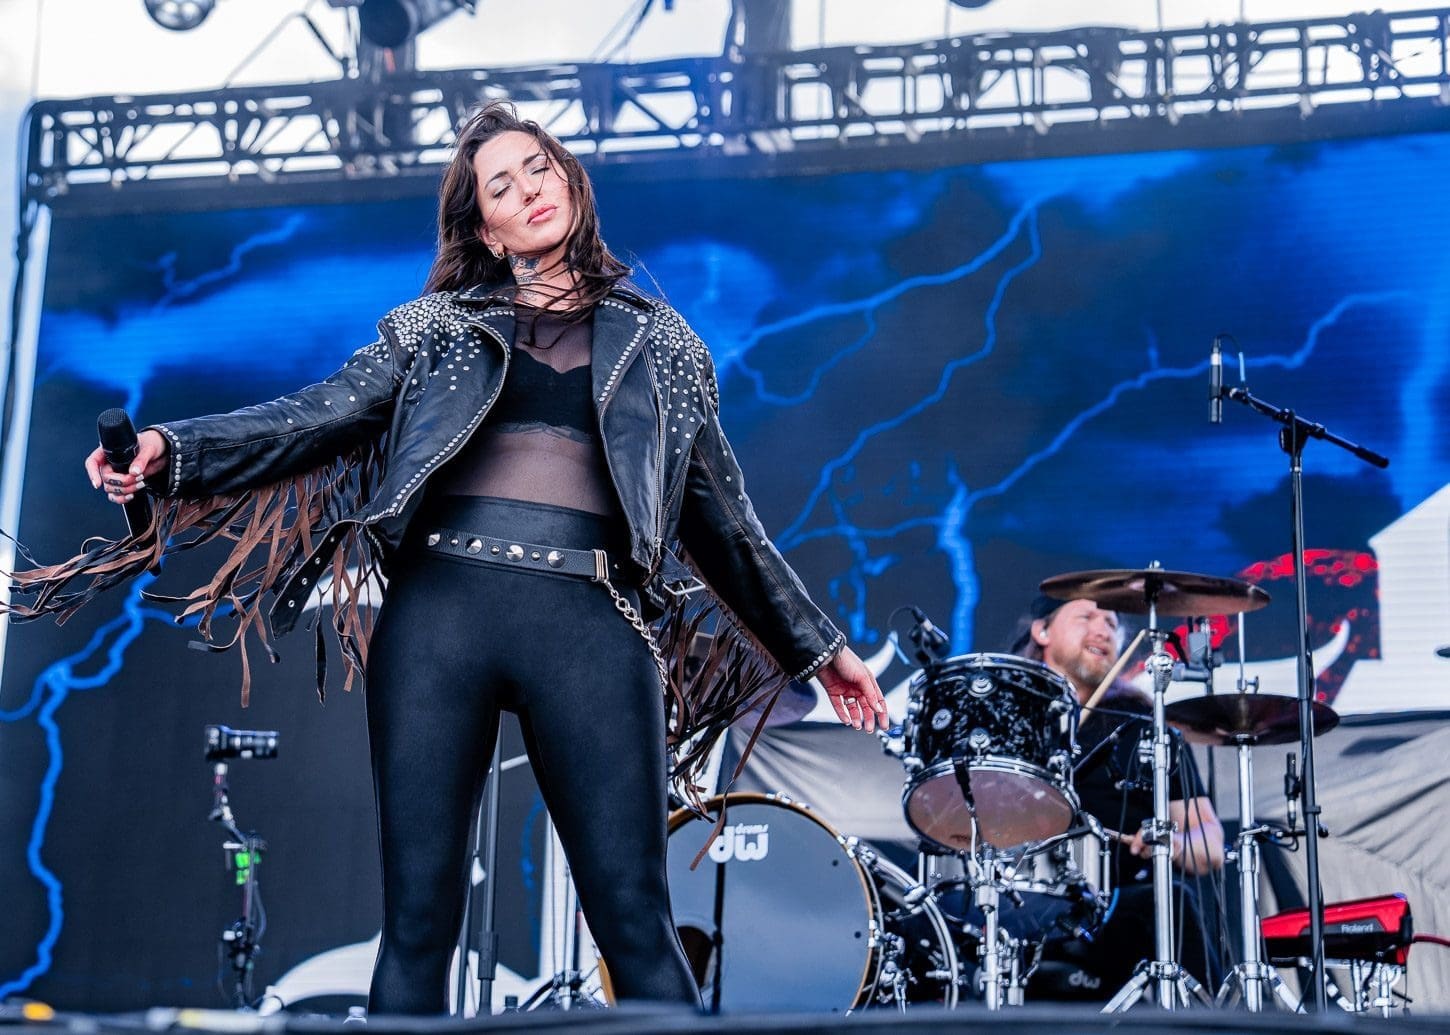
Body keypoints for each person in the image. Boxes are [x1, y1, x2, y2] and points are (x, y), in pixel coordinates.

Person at [8, 101, 888, 1015]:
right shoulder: (432, 329)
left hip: (591, 622)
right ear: (488, 229)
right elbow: (313, 416)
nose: (528, 191)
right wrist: (172, 448)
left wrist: (821, 648)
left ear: (570, 181)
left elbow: (727, 525)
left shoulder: (665, 346)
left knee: (635, 920)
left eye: (538, 168)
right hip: (443, 616)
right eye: (500, 186)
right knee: (420, 926)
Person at [1009, 594, 1225, 997]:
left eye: (1111, 622)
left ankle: (1212, 1022)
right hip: (1019, 901)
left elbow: (1210, 844)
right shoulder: (1011, 721)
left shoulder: (1145, 726)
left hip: (1115, 908)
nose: (1103, 630)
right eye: (1086, 617)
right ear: (1041, 631)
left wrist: (1171, 844)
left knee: (1170, 899)